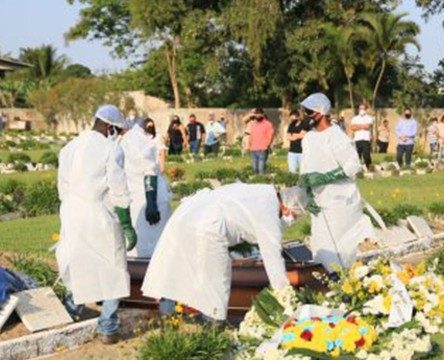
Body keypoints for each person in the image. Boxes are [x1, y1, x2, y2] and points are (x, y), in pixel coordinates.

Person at [142, 184, 306, 321]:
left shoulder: (263, 191)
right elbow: (274, 261)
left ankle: (167, 316)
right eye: (294, 216)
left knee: (174, 269)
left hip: (188, 213)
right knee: (217, 281)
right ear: (286, 208)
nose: (291, 220)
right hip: (208, 225)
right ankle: (212, 325)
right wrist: (286, 298)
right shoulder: (269, 216)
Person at [56, 105, 135, 345]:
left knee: (78, 261)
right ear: (110, 127)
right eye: (118, 130)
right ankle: (108, 326)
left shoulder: (69, 148)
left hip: (70, 212)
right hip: (98, 213)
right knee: (114, 266)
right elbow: (118, 188)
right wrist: (127, 224)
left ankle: (72, 310)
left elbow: (63, 187)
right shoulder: (111, 150)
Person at [298, 93, 375, 272]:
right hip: (319, 200)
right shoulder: (308, 138)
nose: (305, 115)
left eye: (308, 111)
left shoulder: (336, 135)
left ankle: (342, 279)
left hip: (340, 200)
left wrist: (326, 177)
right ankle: (326, 279)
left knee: (339, 246)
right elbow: (305, 169)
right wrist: (308, 194)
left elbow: (353, 165)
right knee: (320, 243)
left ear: (320, 113)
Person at [120, 117, 172, 258]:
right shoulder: (126, 139)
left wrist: (151, 203)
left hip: (148, 198)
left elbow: (149, 169)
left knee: (149, 247)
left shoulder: (133, 139)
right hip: (139, 198)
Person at [248, 108, 275, 175]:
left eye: (260, 114)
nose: (258, 115)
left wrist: (266, 145)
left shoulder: (268, 124)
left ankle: (262, 182)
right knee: (254, 168)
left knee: (261, 169)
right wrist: (249, 145)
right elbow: (251, 135)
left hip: (262, 149)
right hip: (253, 149)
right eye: (256, 114)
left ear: (263, 114)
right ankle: (256, 183)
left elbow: (270, 135)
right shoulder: (253, 124)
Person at [351, 103, 374, 169]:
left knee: (366, 155)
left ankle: (369, 167)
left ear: (366, 110)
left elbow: (368, 126)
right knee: (357, 156)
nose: (361, 110)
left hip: (366, 139)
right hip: (357, 139)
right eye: (360, 108)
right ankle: (357, 170)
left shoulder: (369, 118)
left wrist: (357, 126)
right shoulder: (355, 118)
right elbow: (352, 128)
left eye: (363, 109)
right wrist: (363, 126)